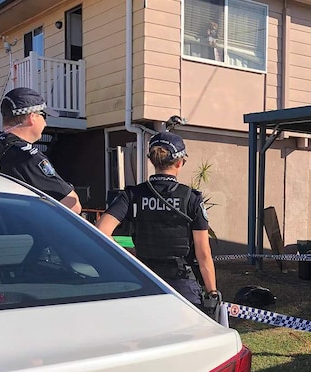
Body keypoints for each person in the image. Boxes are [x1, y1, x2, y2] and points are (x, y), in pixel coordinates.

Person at [95, 131, 222, 320]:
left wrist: (129, 254)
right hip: (181, 282)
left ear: (152, 160)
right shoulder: (191, 198)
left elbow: (101, 230)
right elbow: (203, 253)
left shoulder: (133, 195)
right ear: (179, 163)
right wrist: (212, 293)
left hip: (145, 279)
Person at [0, 87, 82, 214]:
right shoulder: (27, 157)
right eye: (44, 116)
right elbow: (73, 205)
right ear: (32, 117)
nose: (45, 123)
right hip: (24, 231)